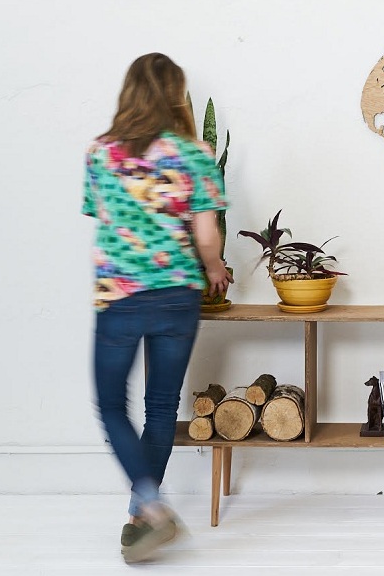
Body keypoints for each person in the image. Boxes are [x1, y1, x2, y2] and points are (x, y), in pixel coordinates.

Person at [82, 52, 232, 563]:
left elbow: (102, 218)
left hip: (119, 298)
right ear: (174, 95)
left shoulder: (100, 154)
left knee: (109, 405)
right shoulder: (194, 154)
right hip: (177, 296)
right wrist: (214, 269)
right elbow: (207, 237)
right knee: (161, 407)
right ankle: (139, 512)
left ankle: (150, 504)